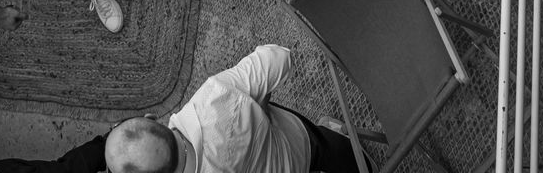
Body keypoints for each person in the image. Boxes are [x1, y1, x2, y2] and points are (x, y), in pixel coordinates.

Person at [105, 44, 359, 173]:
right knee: (336, 152)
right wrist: (260, 107)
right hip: (298, 147)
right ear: (152, 117)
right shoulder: (216, 96)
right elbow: (279, 57)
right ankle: (365, 164)